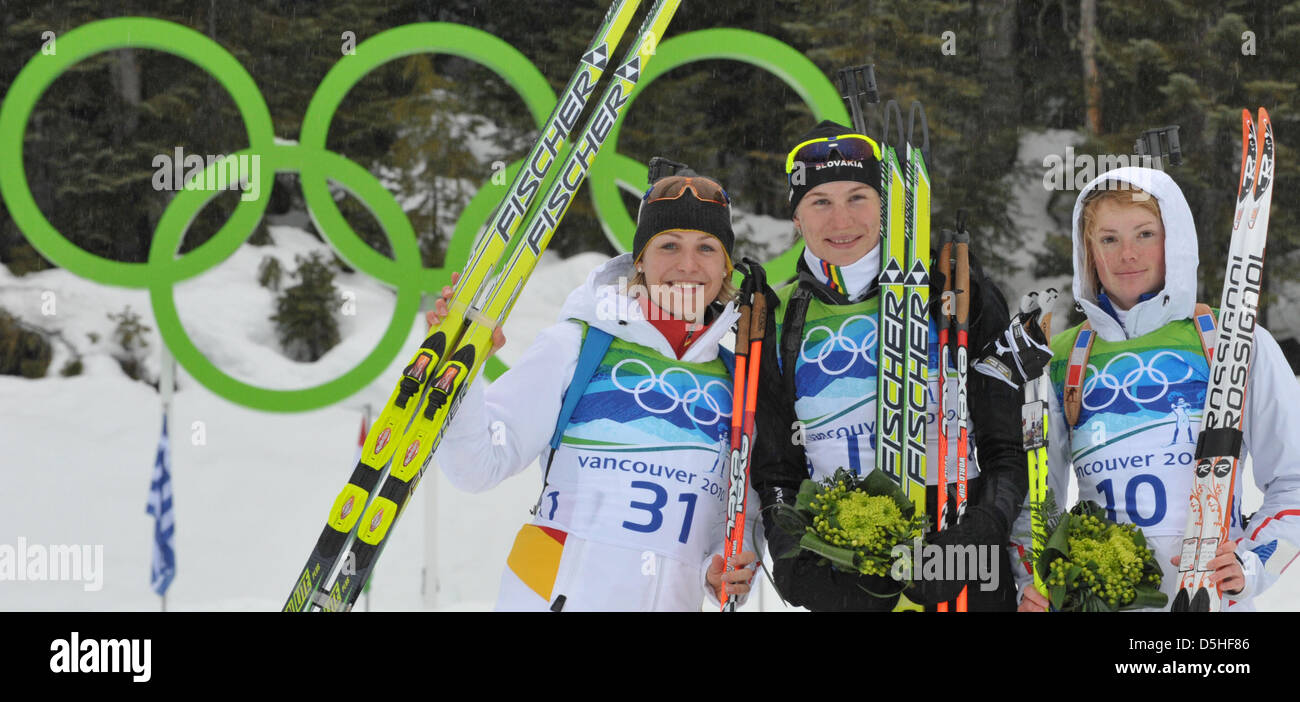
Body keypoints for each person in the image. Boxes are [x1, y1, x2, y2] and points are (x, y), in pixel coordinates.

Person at [429, 170, 760, 611]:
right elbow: (477, 467)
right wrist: (462, 374)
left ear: (725, 269)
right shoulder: (579, 344)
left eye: (706, 248)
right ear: (639, 260)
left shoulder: (738, 383)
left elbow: (732, 521)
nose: (687, 265)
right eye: (668, 246)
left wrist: (713, 571)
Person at [751, 120, 1027, 611]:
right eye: (820, 202)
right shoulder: (777, 319)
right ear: (797, 218)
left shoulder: (957, 292)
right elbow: (777, 468)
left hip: (961, 566)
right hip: (844, 566)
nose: (841, 221)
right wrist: (793, 556)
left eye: (858, 196)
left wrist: (978, 535)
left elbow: (1007, 448)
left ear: (888, 205)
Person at [1016, 166, 1300, 611]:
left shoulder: (1232, 340)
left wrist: (1252, 562)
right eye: (1109, 239)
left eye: (1145, 234)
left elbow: (1294, 480)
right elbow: (1035, 501)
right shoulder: (1063, 359)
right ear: (1088, 252)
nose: (1127, 253)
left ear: (1176, 241)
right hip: (1100, 601)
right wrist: (1030, 583)